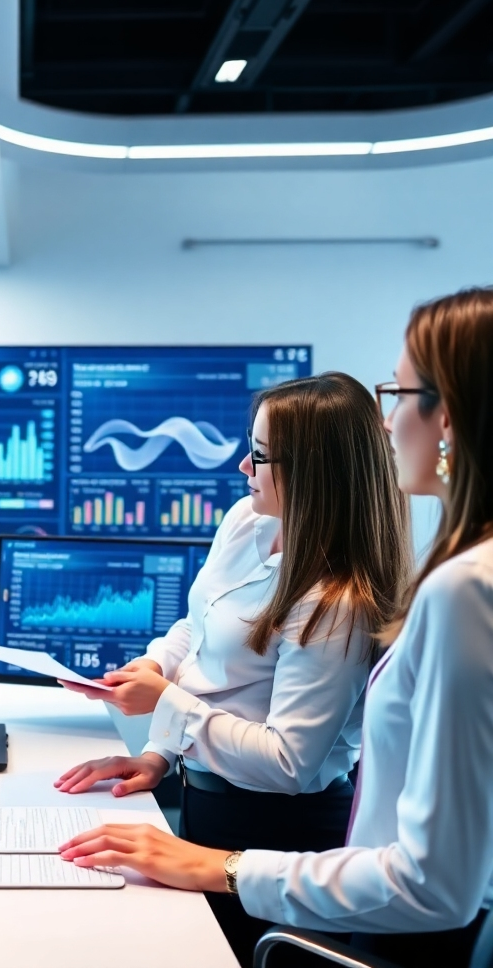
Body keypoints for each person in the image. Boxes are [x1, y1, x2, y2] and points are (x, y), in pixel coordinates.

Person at [60, 287, 493, 968]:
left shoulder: (454, 590)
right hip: (254, 835)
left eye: (400, 394)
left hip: (309, 862)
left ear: (450, 419)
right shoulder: (254, 522)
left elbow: (427, 878)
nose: (386, 424)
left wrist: (219, 866)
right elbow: (200, 636)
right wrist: (161, 748)